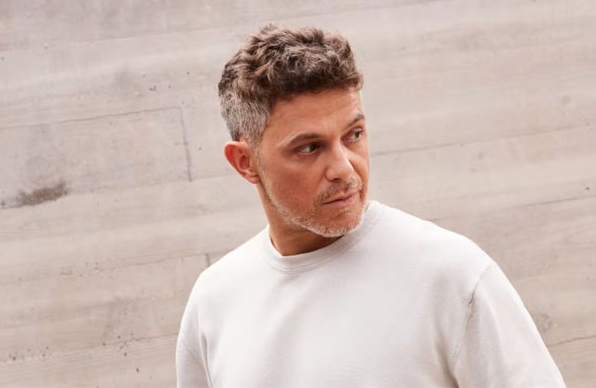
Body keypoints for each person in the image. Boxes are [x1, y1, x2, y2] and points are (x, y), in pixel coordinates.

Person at [175, 24, 566, 388]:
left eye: (354, 134)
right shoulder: (215, 301)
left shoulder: (451, 275)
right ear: (245, 162)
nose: (344, 169)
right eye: (309, 148)